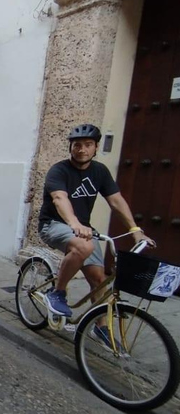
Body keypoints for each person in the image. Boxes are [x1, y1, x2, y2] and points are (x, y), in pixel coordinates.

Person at [38, 124, 154, 333]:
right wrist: (74, 223)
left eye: (88, 145)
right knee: (84, 247)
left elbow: (116, 201)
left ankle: (100, 328)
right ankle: (57, 292)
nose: (82, 149)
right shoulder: (59, 170)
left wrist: (135, 229)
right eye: (77, 145)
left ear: (96, 147)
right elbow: (59, 198)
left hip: (83, 229)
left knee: (99, 281)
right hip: (53, 225)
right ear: (71, 147)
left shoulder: (99, 171)